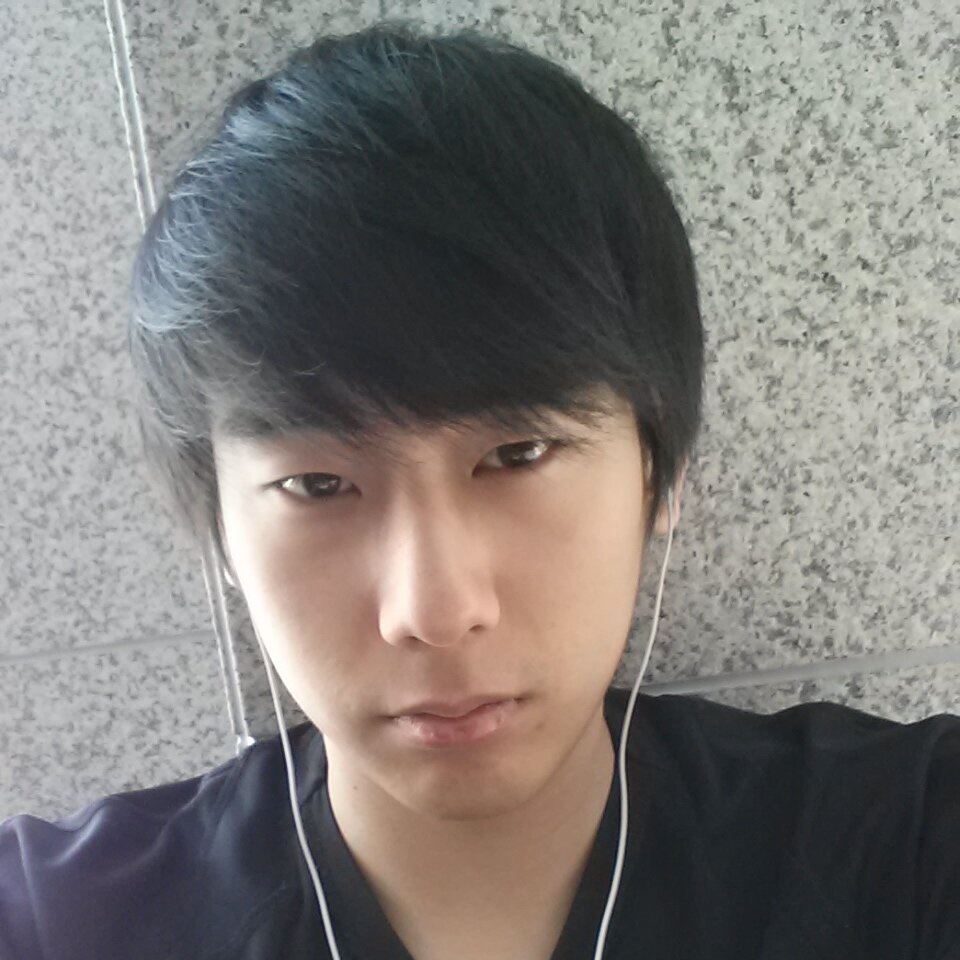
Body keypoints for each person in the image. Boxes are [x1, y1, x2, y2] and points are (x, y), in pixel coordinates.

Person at [1, 20, 957, 960]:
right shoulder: (63, 922)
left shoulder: (906, 847)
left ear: (659, 468)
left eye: (520, 455)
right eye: (318, 483)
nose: (435, 611)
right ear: (219, 525)